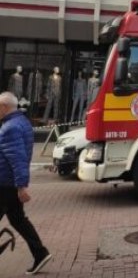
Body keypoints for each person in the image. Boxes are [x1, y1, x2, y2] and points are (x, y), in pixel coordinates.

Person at [0, 92, 52, 275]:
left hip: (5, 184)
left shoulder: (10, 128)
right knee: (18, 220)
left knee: (19, 220)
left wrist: (21, 186)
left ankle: (40, 253)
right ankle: (40, 253)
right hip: (10, 183)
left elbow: (18, 159)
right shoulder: (22, 123)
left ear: (4, 107)